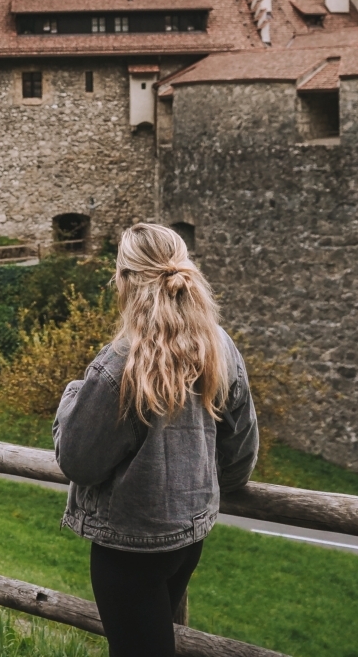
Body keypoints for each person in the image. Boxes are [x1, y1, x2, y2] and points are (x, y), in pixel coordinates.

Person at [54, 223, 258, 657]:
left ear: (126, 281)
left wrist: (73, 393)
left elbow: (78, 461)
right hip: (189, 538)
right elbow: (241, 444)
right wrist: (209, 487)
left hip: (128, 545)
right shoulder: (218, 344)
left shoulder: (119, 364)